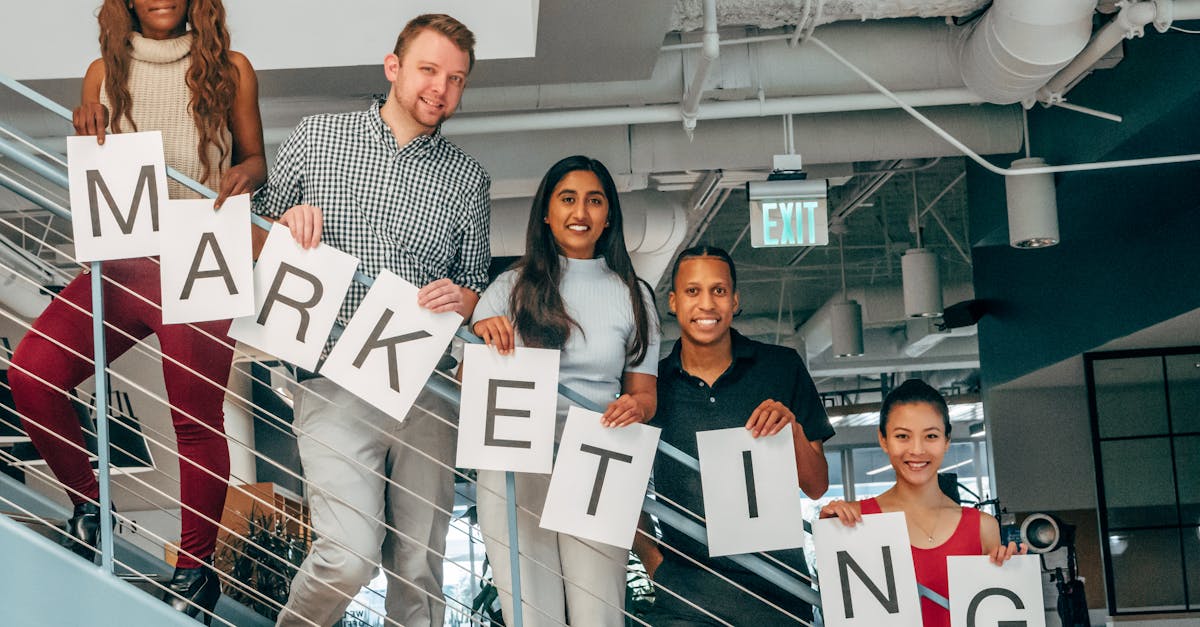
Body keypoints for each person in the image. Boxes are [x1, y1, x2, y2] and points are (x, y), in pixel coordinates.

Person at [9, 0, 264, 621]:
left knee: (195, 422)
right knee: (32, 373)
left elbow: (254, 159)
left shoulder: (230, 68)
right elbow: (98, 173)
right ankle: (91, 504)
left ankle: (194, 572)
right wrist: (85, 131)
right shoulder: (104, 71)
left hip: (199, 254)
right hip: (124, 257)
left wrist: (244, 177)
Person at [252, 14, 490, 627]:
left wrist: (465, 300)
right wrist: (283, 224)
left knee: (419, 573)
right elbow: (252, 235)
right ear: (393, 68)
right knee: (347, 556)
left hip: (427, 389)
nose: (441, 89)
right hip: (331, 378)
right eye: (429, 70)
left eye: (456, 79)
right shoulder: (317, 137)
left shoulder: (470, 179)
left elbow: (481, 293)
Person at [470, 155, 660, 626]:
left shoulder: (634, 294)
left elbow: (645, 394)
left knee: (599, 614)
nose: (581, 212)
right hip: (515, 456)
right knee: (532, 614)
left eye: (594, 200)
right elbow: (469, 384)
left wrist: (633, 406)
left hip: (599, 457)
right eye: (568, 199)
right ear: (547, 214)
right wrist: (484, 336)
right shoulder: (507, 289)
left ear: (608, 215)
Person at [637, 245, 834, 626]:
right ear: (674, 302)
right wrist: (654, 563)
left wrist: (791, 428)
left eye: (719, 291)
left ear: (735, 300)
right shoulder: (651, 386)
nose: (706, 304)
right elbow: (620, 485)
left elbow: (816, 486)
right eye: (693, 292)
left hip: (779, 595)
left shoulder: (781, 367)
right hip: (685, 601)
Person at [819, 379, 1026, 627]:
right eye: (902, 436)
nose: (917, 450)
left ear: (947, 440)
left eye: (931, 435)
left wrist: (1013, 574)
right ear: (883, 439)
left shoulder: (983, 526)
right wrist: (829, 537)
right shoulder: (855, 519)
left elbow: (994, 616)